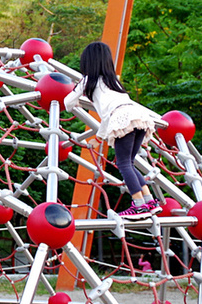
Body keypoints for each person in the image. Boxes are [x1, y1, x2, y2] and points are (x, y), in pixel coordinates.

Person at [62, 41, 161, 218]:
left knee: (123, 164)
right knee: (128, 162)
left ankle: (139, 205)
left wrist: (98, 136)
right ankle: (148, 200)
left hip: (122, 118)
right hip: (139, 116)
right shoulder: (113, 80)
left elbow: (68, 103)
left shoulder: (87, 81)